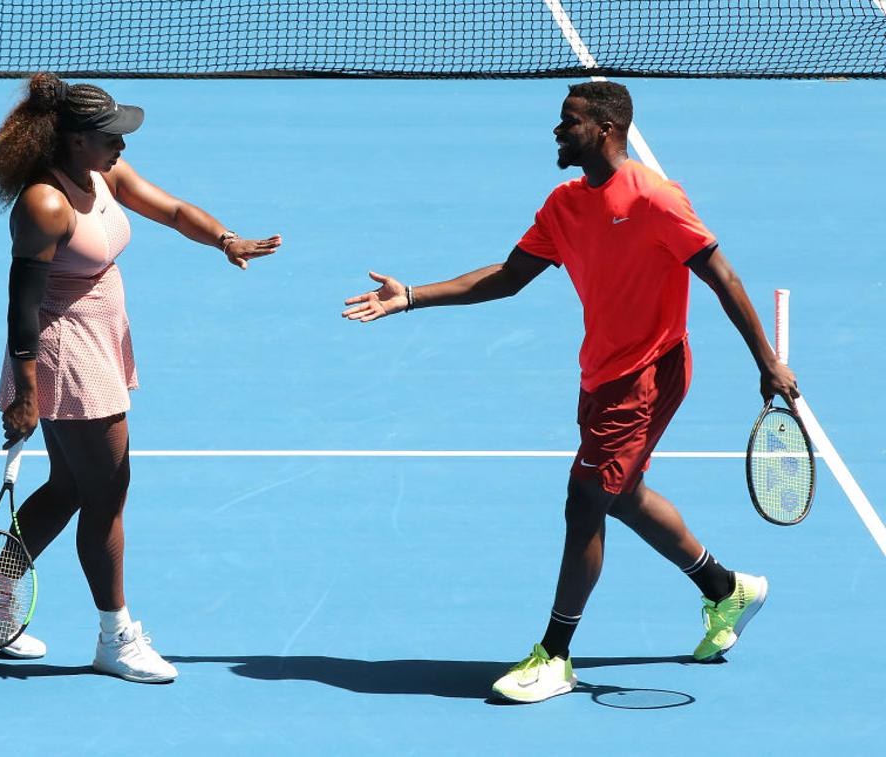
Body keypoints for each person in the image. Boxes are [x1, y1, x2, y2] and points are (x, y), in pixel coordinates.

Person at [341, 81, 797, 704]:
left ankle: (554, 655)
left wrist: (767, 361)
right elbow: (506, 277)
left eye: (570, 121)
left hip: (648, 373)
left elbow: (721, 274)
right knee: (621, 494)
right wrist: (413, 295)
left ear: (607, 130)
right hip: (601, 373)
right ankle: (726, 589)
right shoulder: (563, 204)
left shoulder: (656, 199)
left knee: (585, 501)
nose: (558, 130)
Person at [0, 73, 281, 682]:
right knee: (107, 494)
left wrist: (225, 239)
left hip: (99, 338)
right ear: (74, 142)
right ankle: (115, 637)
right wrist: (26, 394)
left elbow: (170, 210)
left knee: (70, 487)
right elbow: (20, 305)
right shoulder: (45, 204)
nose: (122, 146)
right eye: (111, 135)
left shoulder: (102, 173)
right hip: (66, 356)